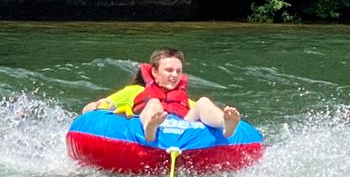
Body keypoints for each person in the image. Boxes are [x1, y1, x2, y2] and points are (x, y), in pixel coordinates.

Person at [83, 48, 241, 141]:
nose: (174, 75)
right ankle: (150, 128)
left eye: (178, 71)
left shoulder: (183, 98)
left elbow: (199, 111)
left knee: (204, 101)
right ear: (154, 72)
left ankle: (225, 125)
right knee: (153, 103)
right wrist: (98, 106)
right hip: (145, 128)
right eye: (169, 70)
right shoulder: (135, 91)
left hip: (181, 127)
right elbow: (91, 109)